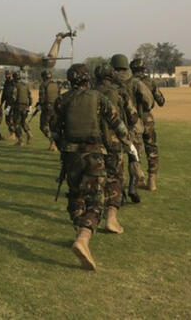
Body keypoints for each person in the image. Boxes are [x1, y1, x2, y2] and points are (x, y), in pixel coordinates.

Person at [52, 63, 129, 270]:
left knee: (75, 196)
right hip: (94, 155)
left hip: (70, 157)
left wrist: (64, 148)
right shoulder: (98, 98)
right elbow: (117, 123)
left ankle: (79, 232)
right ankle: (84, 238)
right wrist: (128, 143)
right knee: (96, 200)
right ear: (87, 79)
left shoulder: (62, 100)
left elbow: (53, 130)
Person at [94, 63, 138, 233]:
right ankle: (111, 218)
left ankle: (92, 217)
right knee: (115, 178)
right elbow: (132, 117)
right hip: (114, 142)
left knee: (96, 178)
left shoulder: (89, 93)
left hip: (93, 142)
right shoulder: (119, 92)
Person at [110, 54, 154, 203]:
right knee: (134, 157)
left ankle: (120, 192)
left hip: (115, 127)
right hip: (134, 124)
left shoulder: (109, 85)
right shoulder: (136, 82)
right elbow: (149, 101)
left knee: (118, 160)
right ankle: (133, 187)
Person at [130, 58, 165, 191]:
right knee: (152, 149)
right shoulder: (150, 82)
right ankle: (152, 181)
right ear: (144, 69)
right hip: (147, 119)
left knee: (135, 151)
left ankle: (139, 178)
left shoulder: (128, 83)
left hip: (134, 120)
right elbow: (161, 101)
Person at [38, 70, 61, 151]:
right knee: (54, 127)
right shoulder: (56, 84)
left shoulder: (43, 85)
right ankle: (55, 144)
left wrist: (39, 105)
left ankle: (52, 142)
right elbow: (59, 96)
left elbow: (42, 99)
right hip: (56, 108)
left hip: (47, 108)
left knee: (43, 126)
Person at [12, 71, 34, 146]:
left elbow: (13, 98)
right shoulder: (26, 85)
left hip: (18, 107)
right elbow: (30, 97)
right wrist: (29, 105)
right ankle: (29, 134)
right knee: (23, 122)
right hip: (26, 107)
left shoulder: (16, 86)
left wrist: (10, 106)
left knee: (16, 124)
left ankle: (20, 140)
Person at [0, 71, 16, 139]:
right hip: (7, 104)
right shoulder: (6, 82)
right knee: (7, 119)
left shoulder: (13, 82)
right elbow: (4, 94)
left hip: (11, 104)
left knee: (10, 118)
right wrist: (1, 102)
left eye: (8, 74)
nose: (7, 76)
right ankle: (11, 133)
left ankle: (12, 134)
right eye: (6, 74)